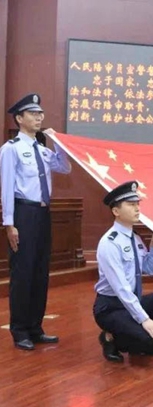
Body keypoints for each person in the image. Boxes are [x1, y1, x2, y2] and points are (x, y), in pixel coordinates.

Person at [0, 93, 72, 350]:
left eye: (40, 113)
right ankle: (20, 330)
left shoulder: (42, 150)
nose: (39, 117)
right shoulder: (11, 149)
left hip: (43, 215)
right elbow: (6, 188)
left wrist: (57, 143)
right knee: (23, 273)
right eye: (33, 114)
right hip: (24, 213)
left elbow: (65, 168)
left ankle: (35, 327)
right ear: (19, 118)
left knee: (40, 272)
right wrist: (9, 224)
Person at [93, 181, 153, 363]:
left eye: (137, 204)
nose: (137, 209)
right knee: (146, 339)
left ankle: (144, 343)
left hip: (132, 300)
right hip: (111, 306)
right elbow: (121, 288)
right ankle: (110, 338)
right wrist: (144, 320)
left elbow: (152, 270)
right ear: (116, 211)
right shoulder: (109, 243)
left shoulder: (135, 238)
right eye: (131, 204)